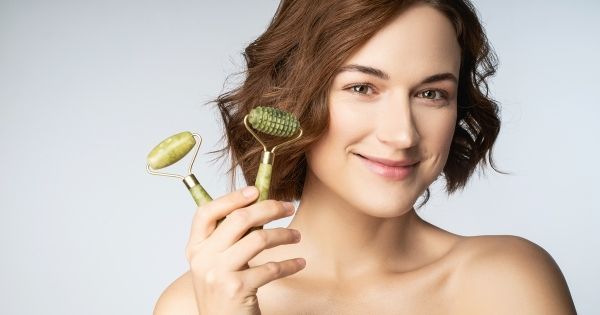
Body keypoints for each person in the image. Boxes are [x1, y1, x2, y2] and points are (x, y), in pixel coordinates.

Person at [154, 0, 577, 314]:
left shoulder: (508, 281)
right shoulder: (192, 304)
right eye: (362, 88)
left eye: (432, 94)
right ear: (295, 99)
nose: (402, 134)